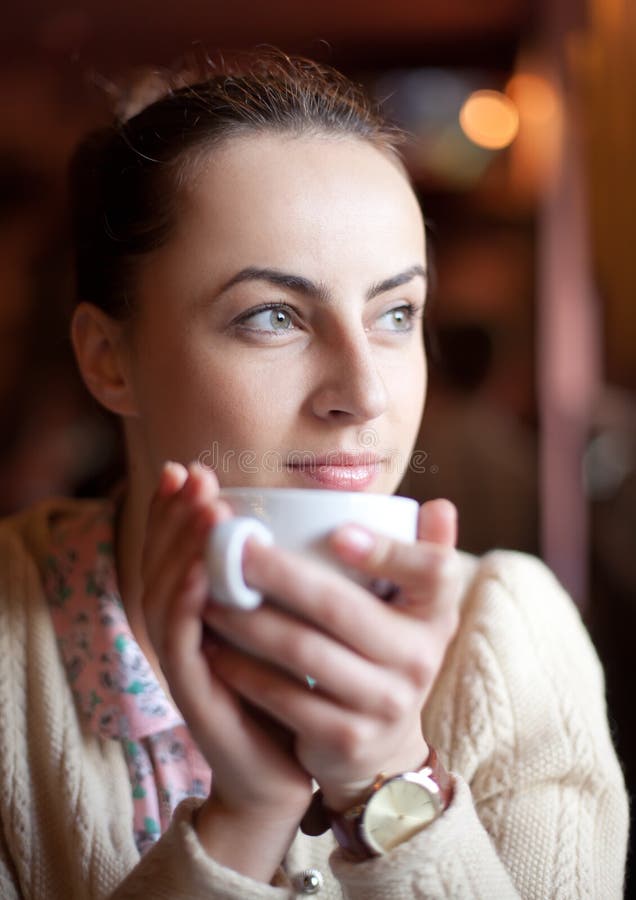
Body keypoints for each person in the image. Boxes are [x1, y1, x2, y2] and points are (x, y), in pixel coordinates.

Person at [0, 51, 627, 899]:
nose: (365, 393)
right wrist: (247, 816)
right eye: (273, 316)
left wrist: (387, 777)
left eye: (396, 314)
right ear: (108, 359)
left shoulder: (510, 640)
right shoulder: (13, 649)